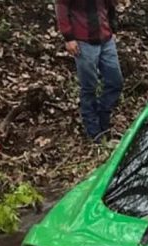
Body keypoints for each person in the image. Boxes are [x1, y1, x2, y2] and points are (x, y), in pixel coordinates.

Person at [55, 0, 123, 142]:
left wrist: (113, 28)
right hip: (83, 42)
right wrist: (68, 38)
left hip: (106, 39)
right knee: (89, 87)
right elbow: (62, 9)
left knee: (115, 82)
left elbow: (111, 6)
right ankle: (93, 131)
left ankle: (103, 119)